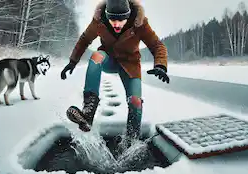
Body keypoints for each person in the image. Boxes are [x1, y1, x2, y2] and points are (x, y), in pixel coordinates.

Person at [61, 0, 169, 144]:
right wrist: (72, 61)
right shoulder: (99, 21)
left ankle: (132, 142)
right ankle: (88, 113)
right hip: (108, 60)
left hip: (130, 64)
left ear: (128, 16)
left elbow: (157, 45)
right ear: (106, 15)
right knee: (96, 56)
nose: (116, 24)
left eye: (121, 20)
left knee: (135, 102)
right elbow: (85, 39)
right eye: (113, 20)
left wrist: (161, 65)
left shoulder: (140, 23)